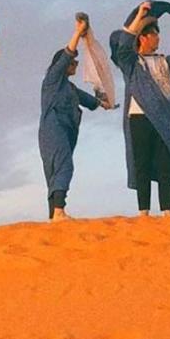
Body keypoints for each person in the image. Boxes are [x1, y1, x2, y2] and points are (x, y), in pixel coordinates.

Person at [110, 1, 170, 216]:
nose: (158, 38)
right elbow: (124, 44)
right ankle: (143, 211)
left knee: (165, 164)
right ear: (143, 38)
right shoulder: (131, 63)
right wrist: (140, 16)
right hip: (140, 118)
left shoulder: (165, 61)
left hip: (162, 119)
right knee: (142, 164)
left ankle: (167, 211)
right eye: (154, 34)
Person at [39, 16, 111, 221]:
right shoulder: (52, 80)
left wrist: (105, 103)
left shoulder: (69, 88)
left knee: (55, 173)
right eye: (74, 62)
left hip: (63, 132)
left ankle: (54, 215)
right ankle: (59, 211)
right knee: (64, 166)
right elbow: (66, 56)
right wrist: (78, 33)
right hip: (53, 130)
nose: (76, 64)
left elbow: (90, 101)